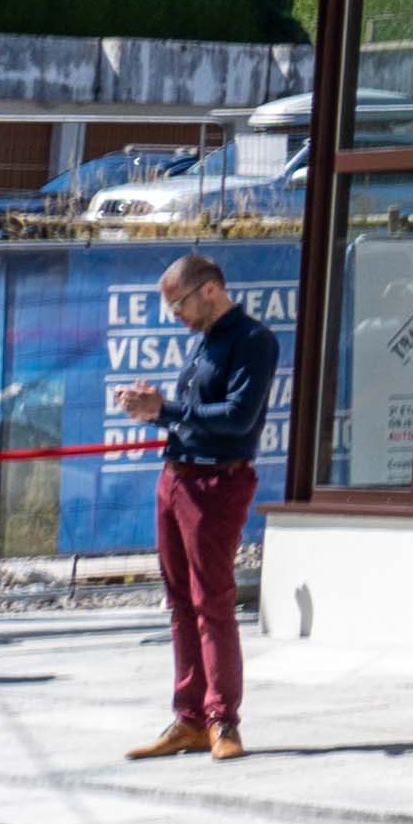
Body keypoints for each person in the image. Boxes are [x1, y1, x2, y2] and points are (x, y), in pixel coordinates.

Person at [131, 254, 280, 765]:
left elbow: (238, 418)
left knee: (212, 600)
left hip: (216, 483)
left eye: (179, 305)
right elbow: (194, 416)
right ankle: (189, 718)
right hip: (176, 478)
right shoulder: (205, 341)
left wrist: (166, 409)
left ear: (210, 289)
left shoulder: (254, 340)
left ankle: (222, 720)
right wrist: (153, 411)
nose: (176, 316)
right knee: (179, 603)